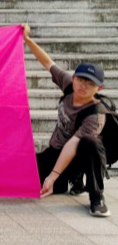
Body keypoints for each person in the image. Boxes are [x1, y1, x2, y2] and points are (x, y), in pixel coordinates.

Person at [24, 24, 110, 217]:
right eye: (81, 80)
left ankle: (97, 197)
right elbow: (47, 62)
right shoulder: (69, 85)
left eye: (90, 83)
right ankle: (66, 180)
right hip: (56, 151)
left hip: (80, 154)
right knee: (27, 172)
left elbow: (73, 144)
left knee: (90, 141)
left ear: (99, 88)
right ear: (74, 78)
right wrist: (27, 39)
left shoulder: (95, 114)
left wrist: (53, 175)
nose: (83, 86)